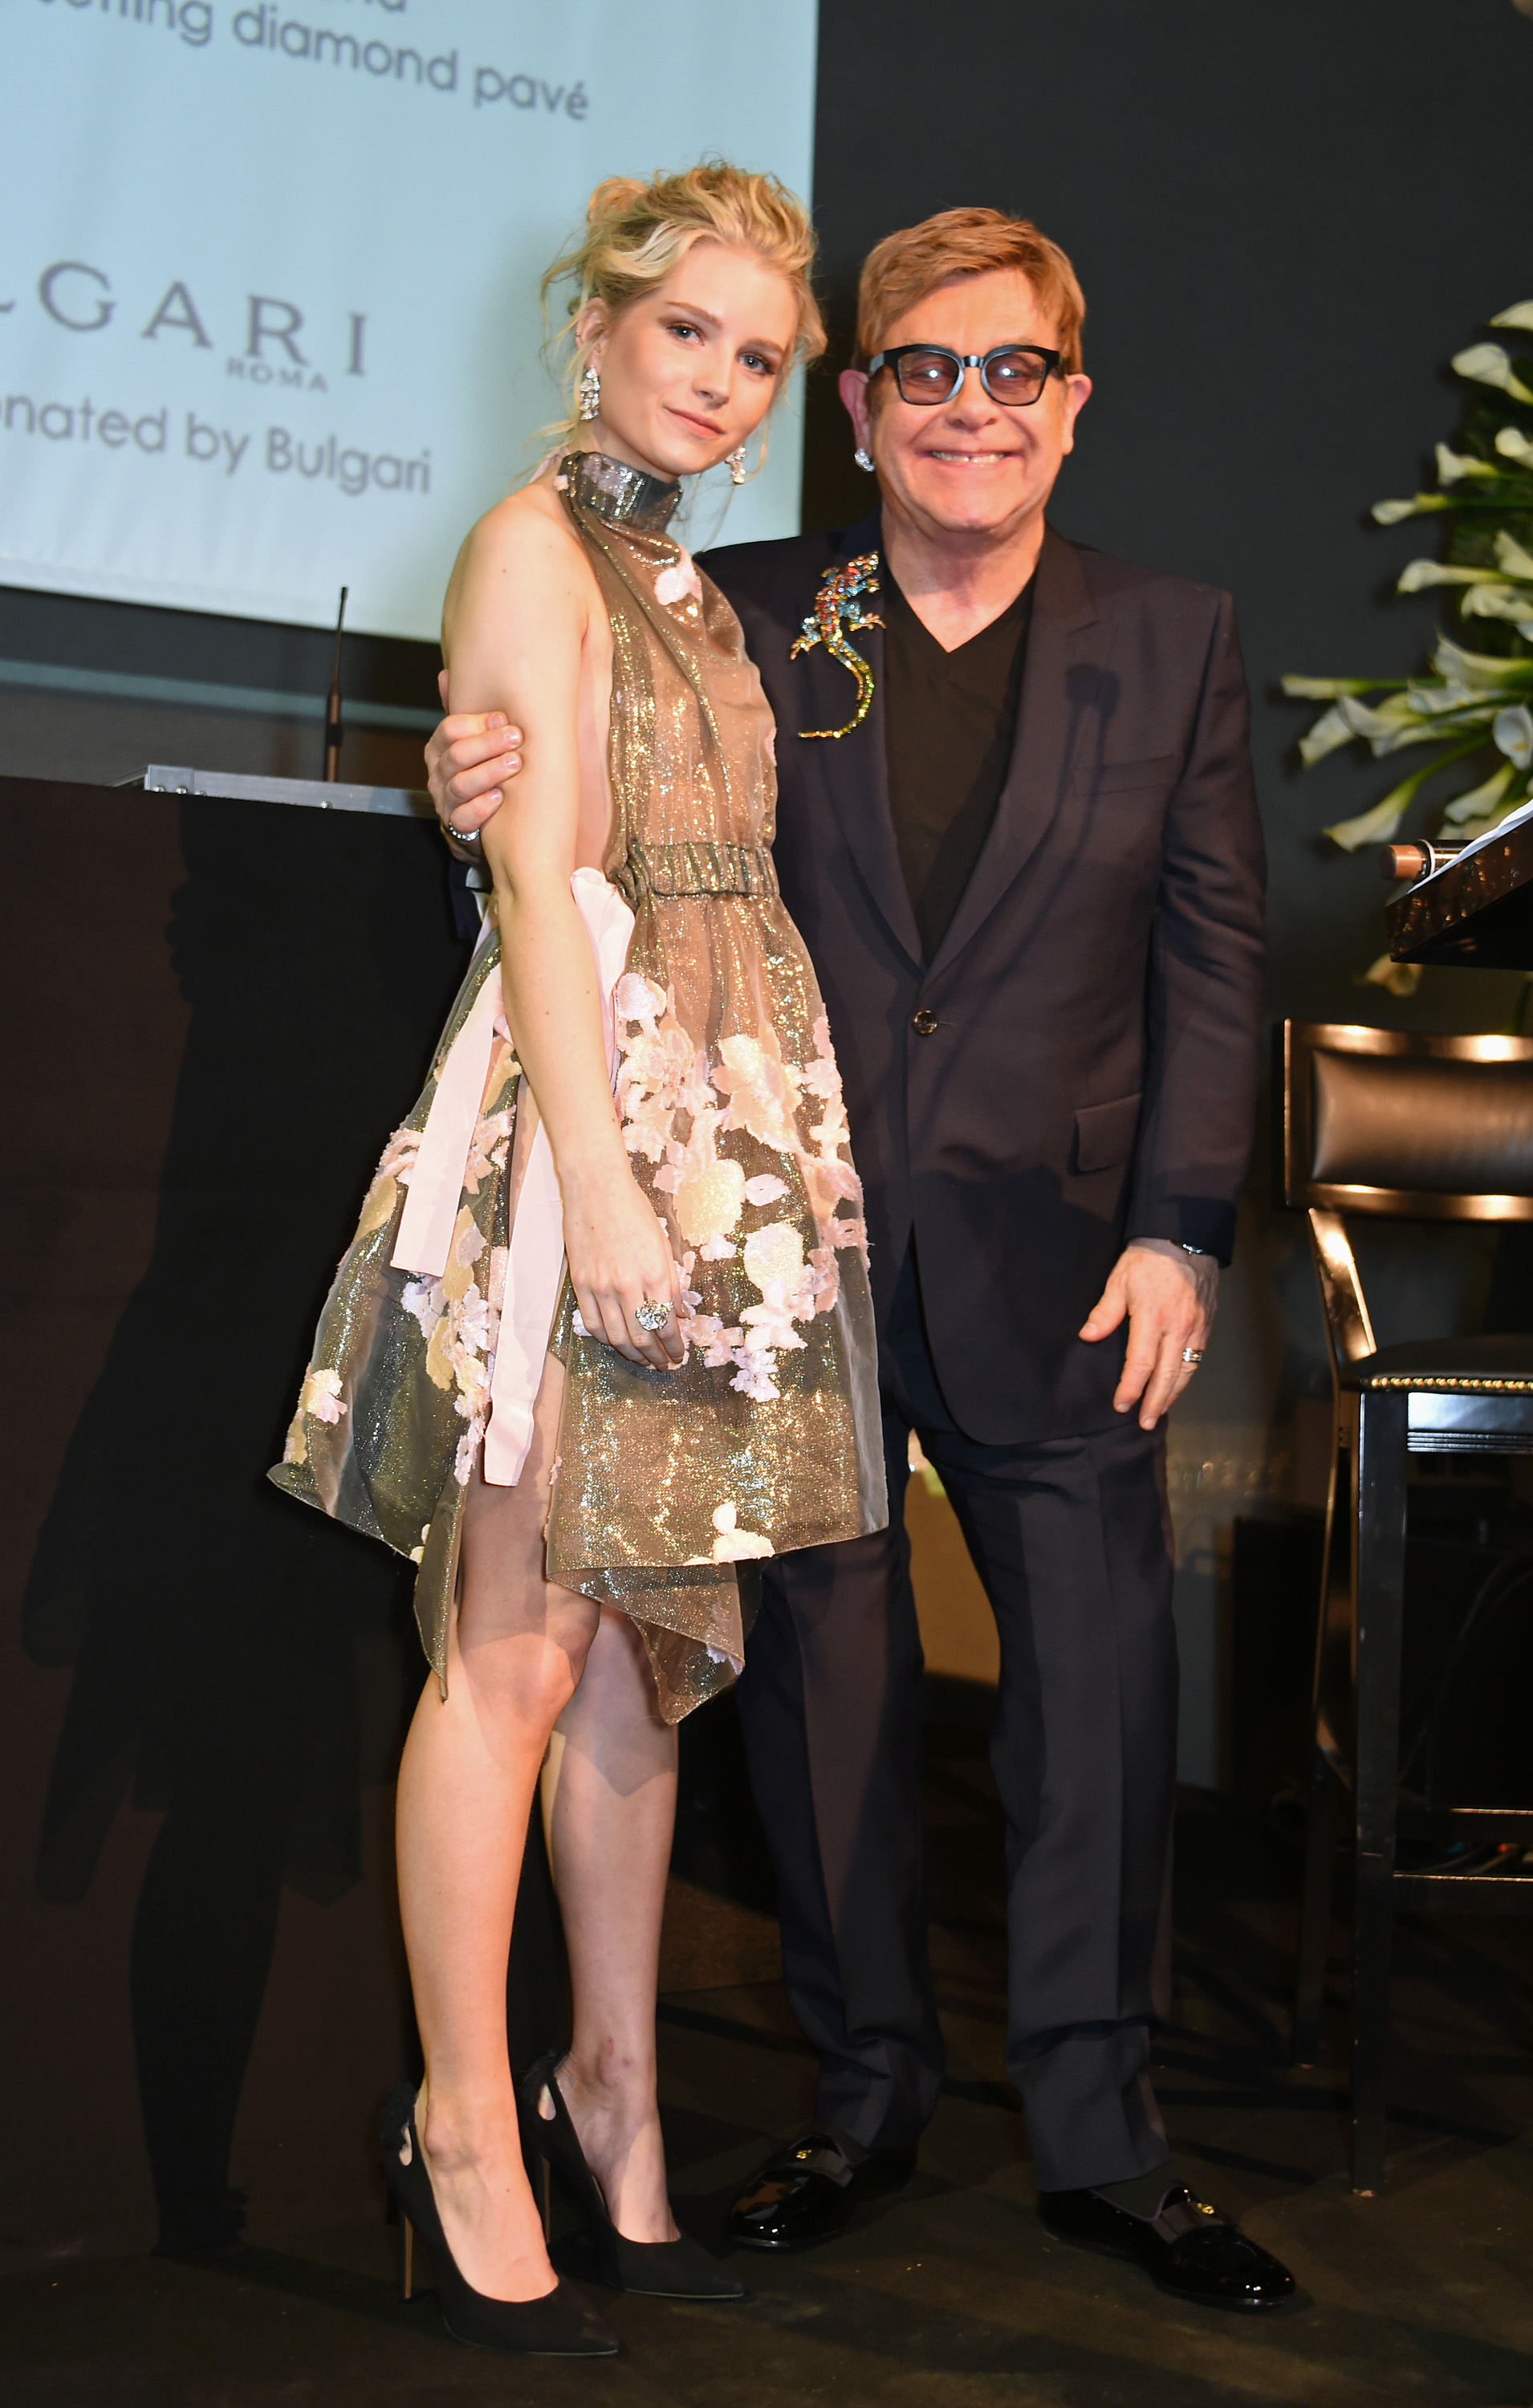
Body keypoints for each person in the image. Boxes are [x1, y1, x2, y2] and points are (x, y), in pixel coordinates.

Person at [429, 205, 1293, 2313]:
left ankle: (1104, 2137)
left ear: (1072, 406)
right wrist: (463, 794)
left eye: (1013, 372)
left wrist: (1183, 1227)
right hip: (785, 1250)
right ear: (860, 405)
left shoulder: (1174, 634)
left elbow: (1216, 953)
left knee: (1097, 1705)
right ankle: (862, 2098)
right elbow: (585, 844)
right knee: (823, 1708)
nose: (969, 408)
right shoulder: (738, 608)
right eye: (925, 370)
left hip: (1066, 1259)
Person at [271, 164, 885, 2357]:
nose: (719, 379)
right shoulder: (534, 548)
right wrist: (608, 1194)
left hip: (723, 1148)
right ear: (598, 323)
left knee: (642, 1654)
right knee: (517, 1650)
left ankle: (613, 2096)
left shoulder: (697, 583)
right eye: (686, 329)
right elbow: (541, 888)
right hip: (587, 1150)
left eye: (758, 353)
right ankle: (461, 2128)